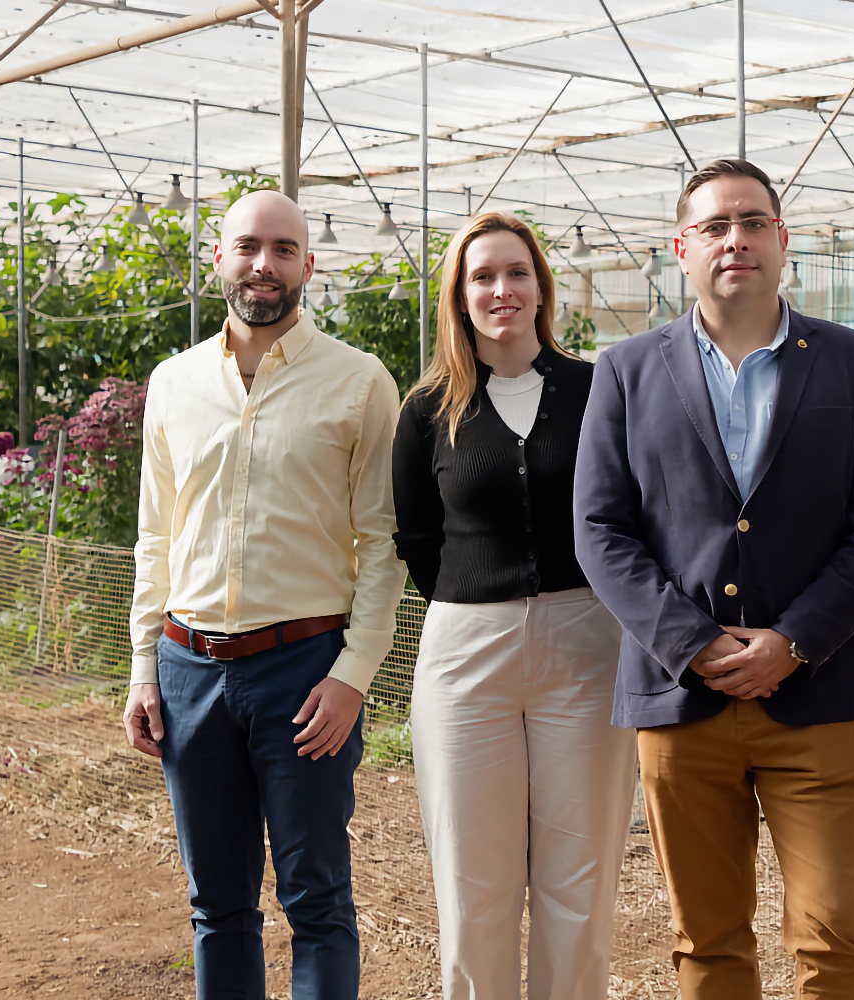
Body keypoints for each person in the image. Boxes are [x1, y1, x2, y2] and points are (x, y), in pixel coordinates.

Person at [573, 157, 854, 1000]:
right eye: (716, 226)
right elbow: (600, 529)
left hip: (813, 696)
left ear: (783, 240)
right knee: (708, 942)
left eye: (754, 222)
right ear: (680, 248)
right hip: (681, 702)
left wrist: (795, 640)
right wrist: (692, 644)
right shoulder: (625, 371)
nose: (737, 240)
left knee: (837, 938)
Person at [122, 189, 405, 999]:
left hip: (305, 672)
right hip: (188, 667)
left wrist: (352, 676)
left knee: (317, 899)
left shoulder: (358, 382)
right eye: (248, 246)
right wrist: (144, 667)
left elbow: (381, 544)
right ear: (219, 259)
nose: (264, 265)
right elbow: (155, 536)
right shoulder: (174, 383)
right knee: (217, 906)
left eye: (283, 250)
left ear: (308, 266)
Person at [391, 212, 634, 998]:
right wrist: (484, 606)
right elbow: (418, 540)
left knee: (579, 883)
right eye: (483, 277)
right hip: (467, 656)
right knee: (473, 886)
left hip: (587, 646)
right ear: (459, 298)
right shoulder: (426, 409)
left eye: (517, 273)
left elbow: (630, 514)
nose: (503, 289)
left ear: (541, 287)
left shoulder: (598, 390)